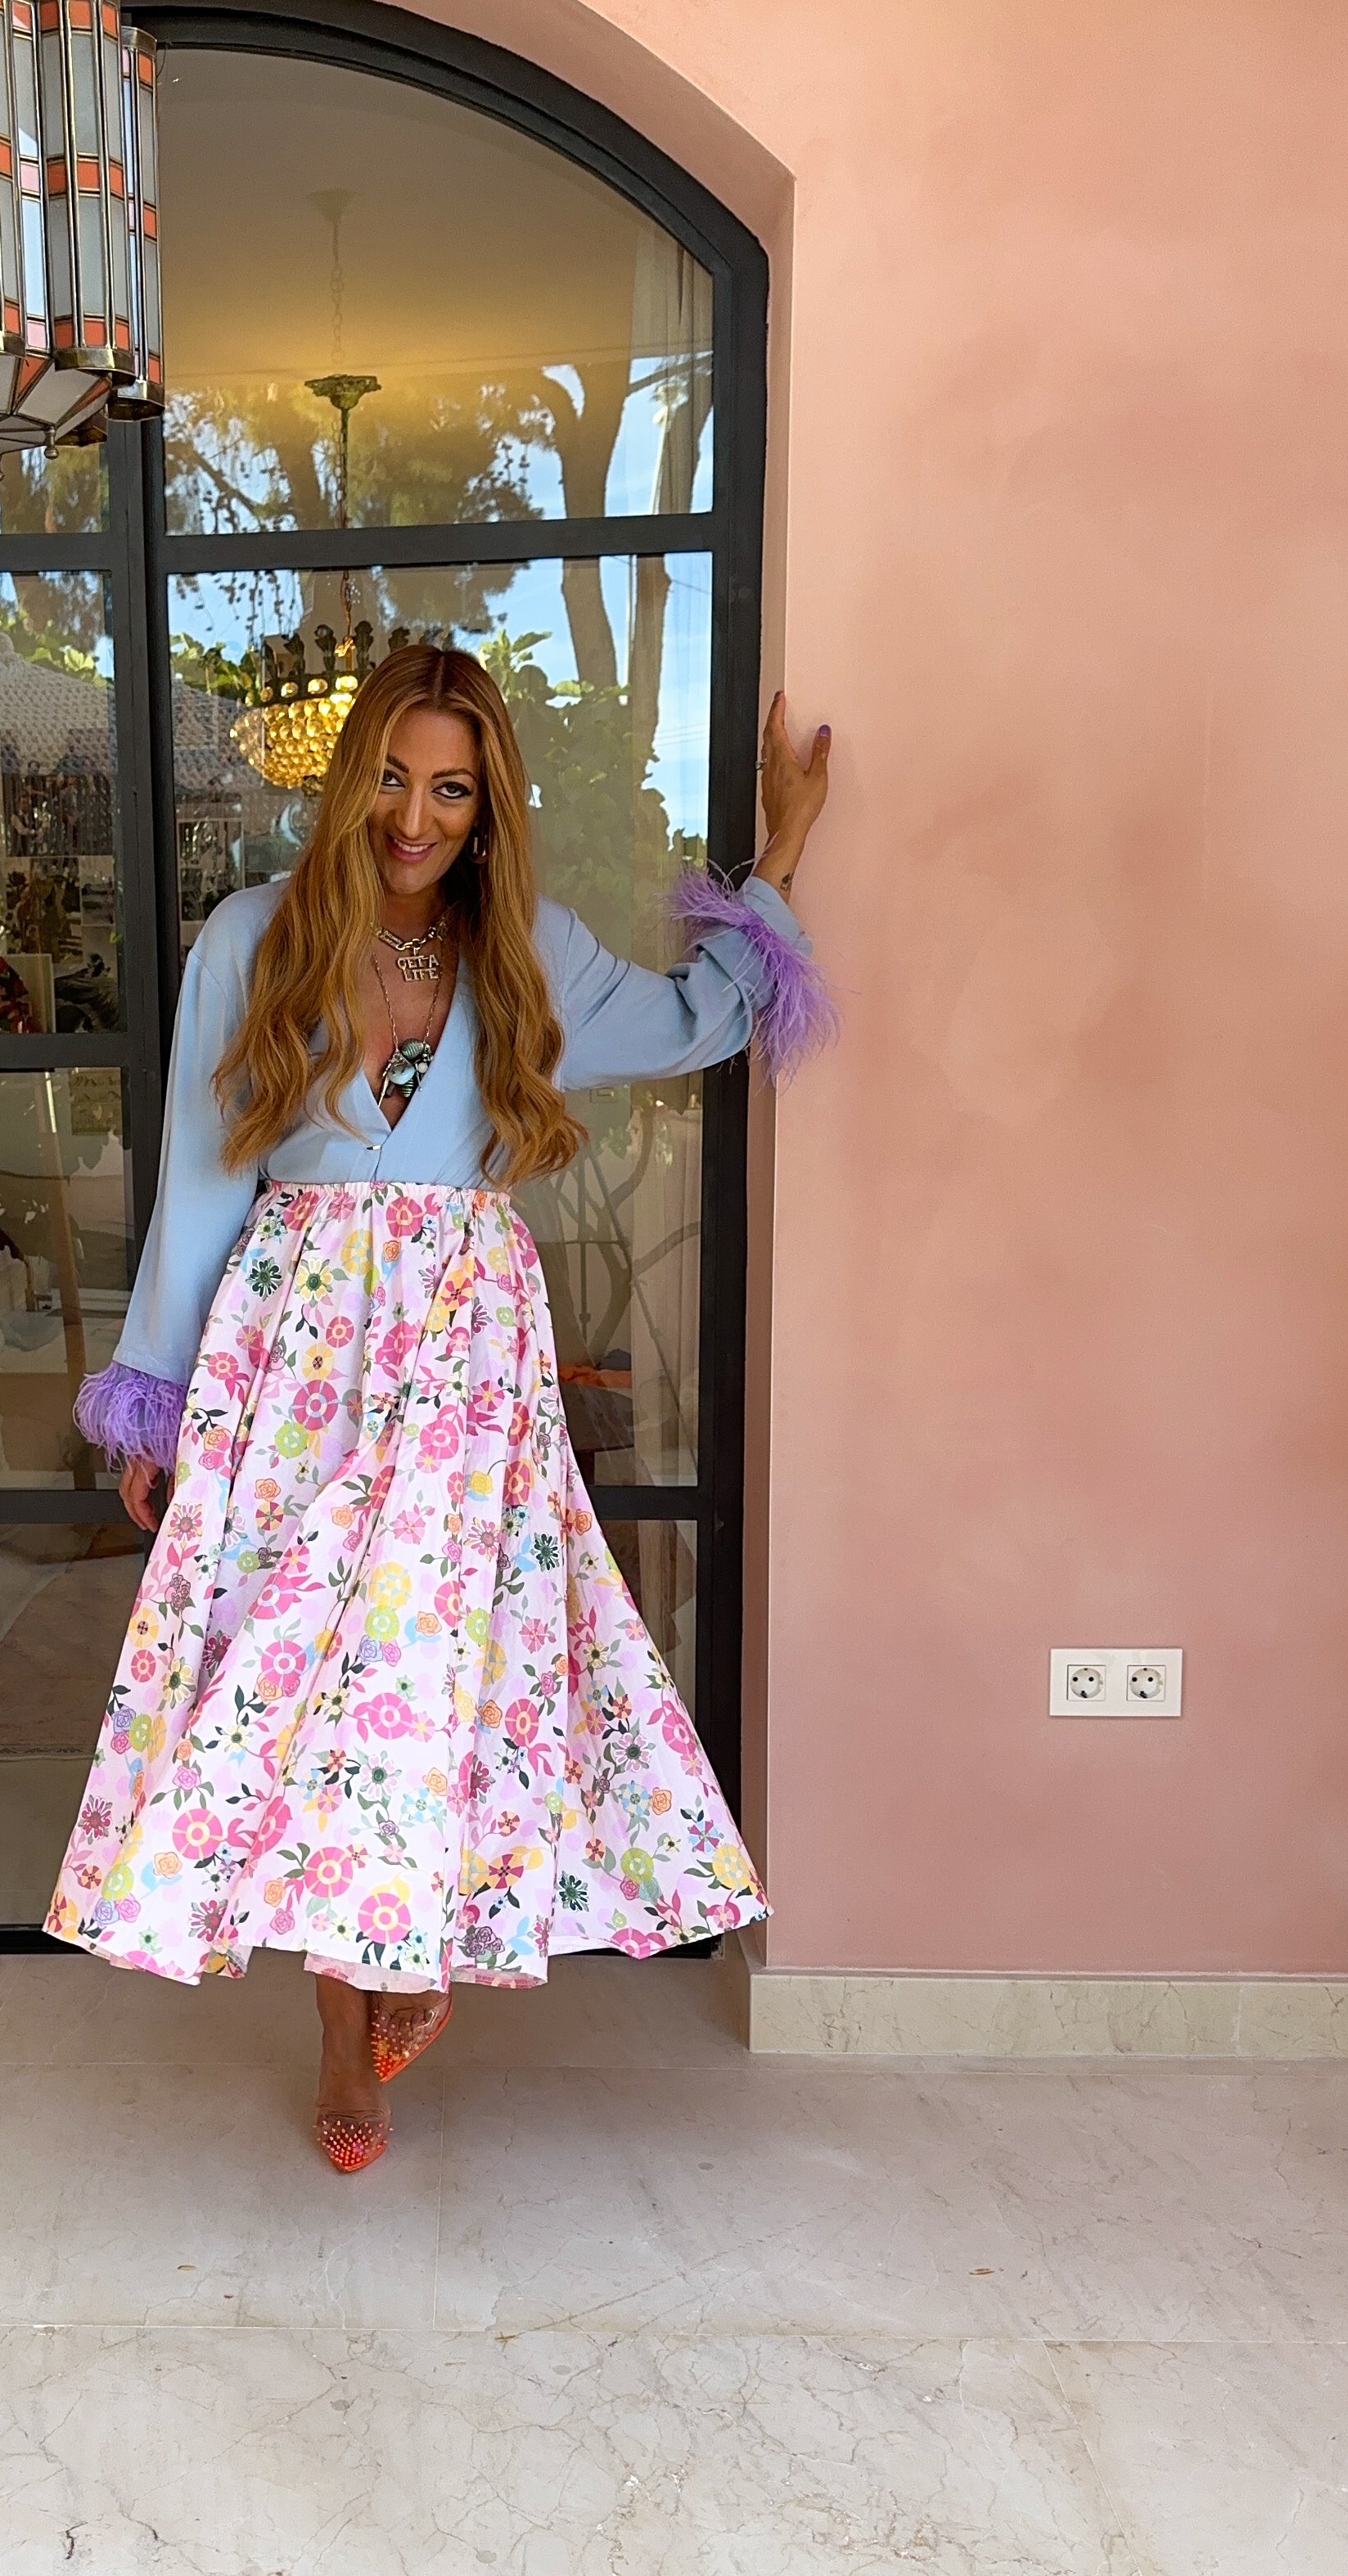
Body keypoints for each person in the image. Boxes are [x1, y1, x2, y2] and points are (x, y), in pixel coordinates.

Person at [49, 644, 833, 2170]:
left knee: (427, 1672)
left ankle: (396, 1957)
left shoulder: (523, 946)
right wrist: (161, 1397)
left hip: (467, 1359)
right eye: (395, 780)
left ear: (487, 807)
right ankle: (344, 2024)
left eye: (453, 790)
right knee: (303, 1679)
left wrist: (782, 852)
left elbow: (698, 1017)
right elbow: (202, 1170)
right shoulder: (255, 935)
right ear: (352, 780)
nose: (417, 819)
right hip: (295, 1357)